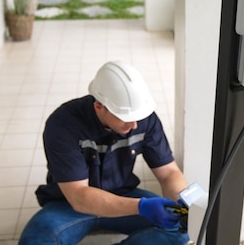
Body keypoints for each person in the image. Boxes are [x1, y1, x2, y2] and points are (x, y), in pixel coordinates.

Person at [19, 61, 190, 245]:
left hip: (123, 196)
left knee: (180, 230)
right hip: (69, 205)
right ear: (99, 107)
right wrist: (141, 207)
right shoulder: (63, 125)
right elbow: (79, 196)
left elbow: (169, 173)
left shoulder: (145, 119)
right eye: (125, 118)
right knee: (34, 240)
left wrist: (182, 203)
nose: (134, 125)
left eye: (138, 117)